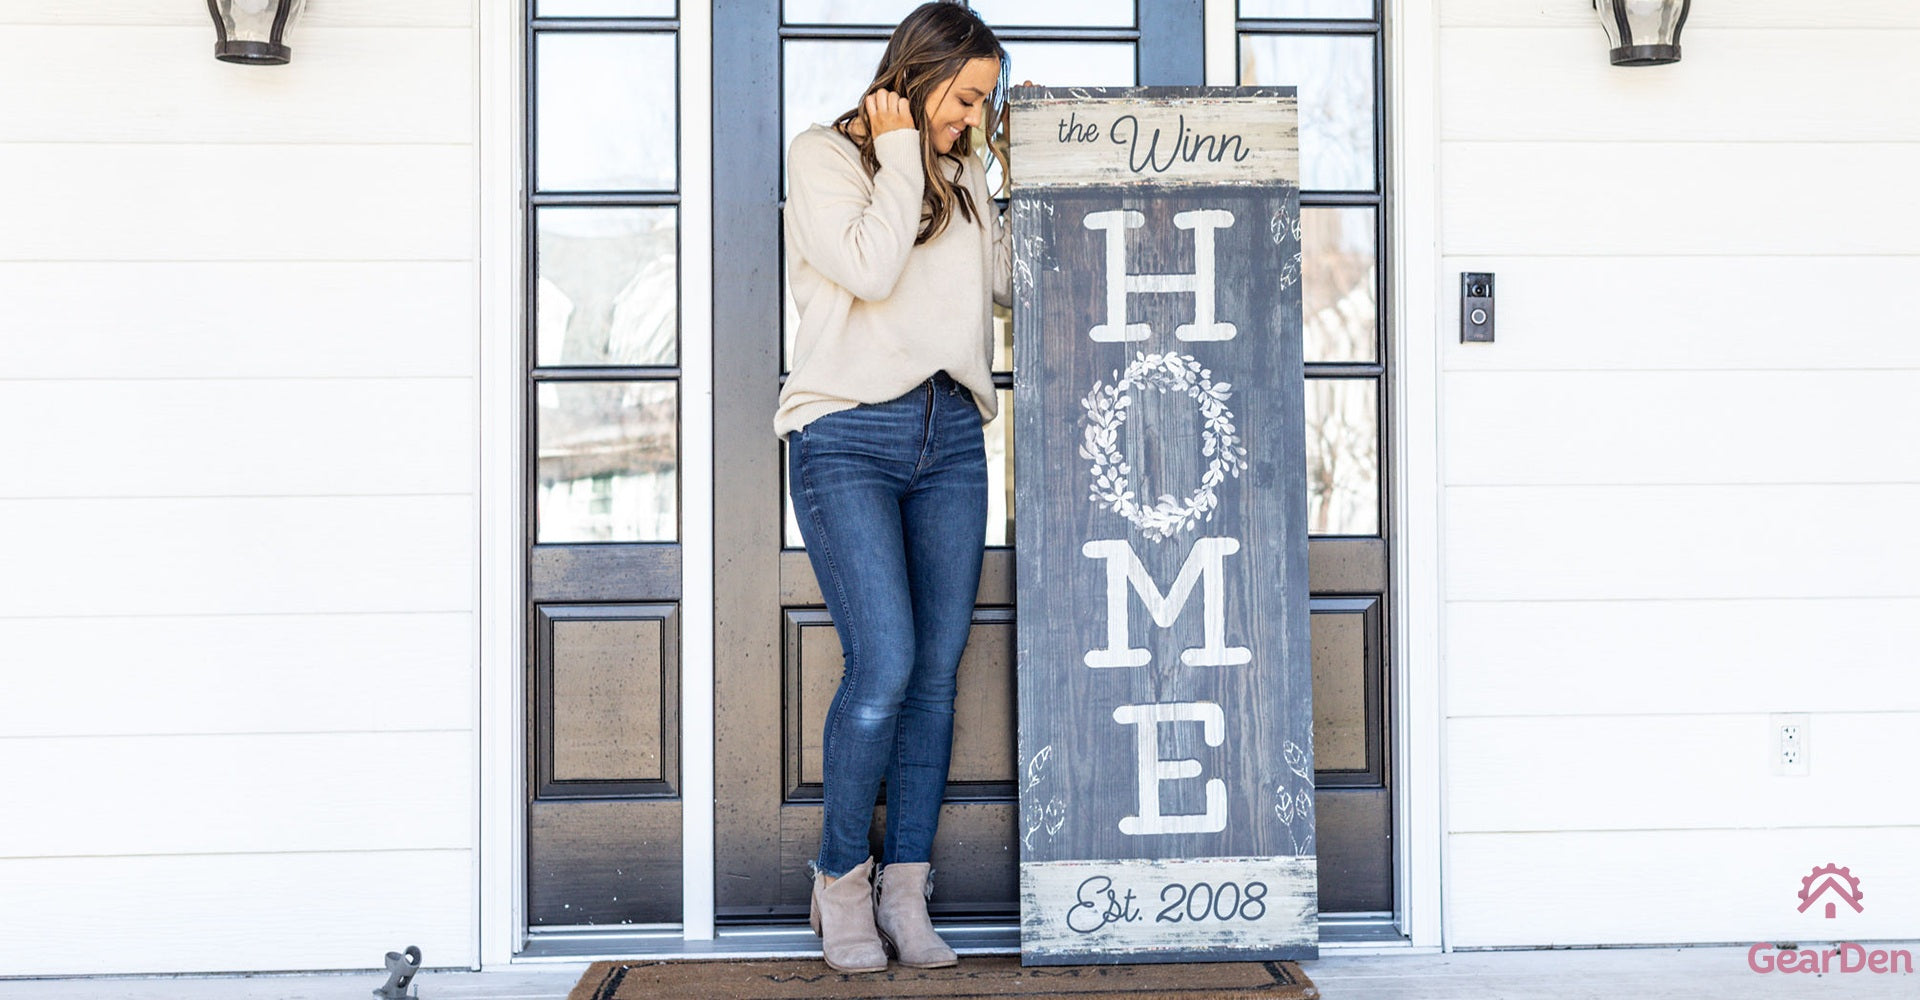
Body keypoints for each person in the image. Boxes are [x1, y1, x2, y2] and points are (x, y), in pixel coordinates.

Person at [777, 0, 1011, 975]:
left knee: (935, 676)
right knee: (884, 665)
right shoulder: (825, 157)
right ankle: (841, 881)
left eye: (984, 103)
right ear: (919, 75)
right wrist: (906, 148)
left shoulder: (963, 172)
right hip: (846, 433)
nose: (973, 117)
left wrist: (1008, 176)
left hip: (950, 434)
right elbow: (872, 269)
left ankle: (905, 890)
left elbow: (1008, 288)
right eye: (965, 98)